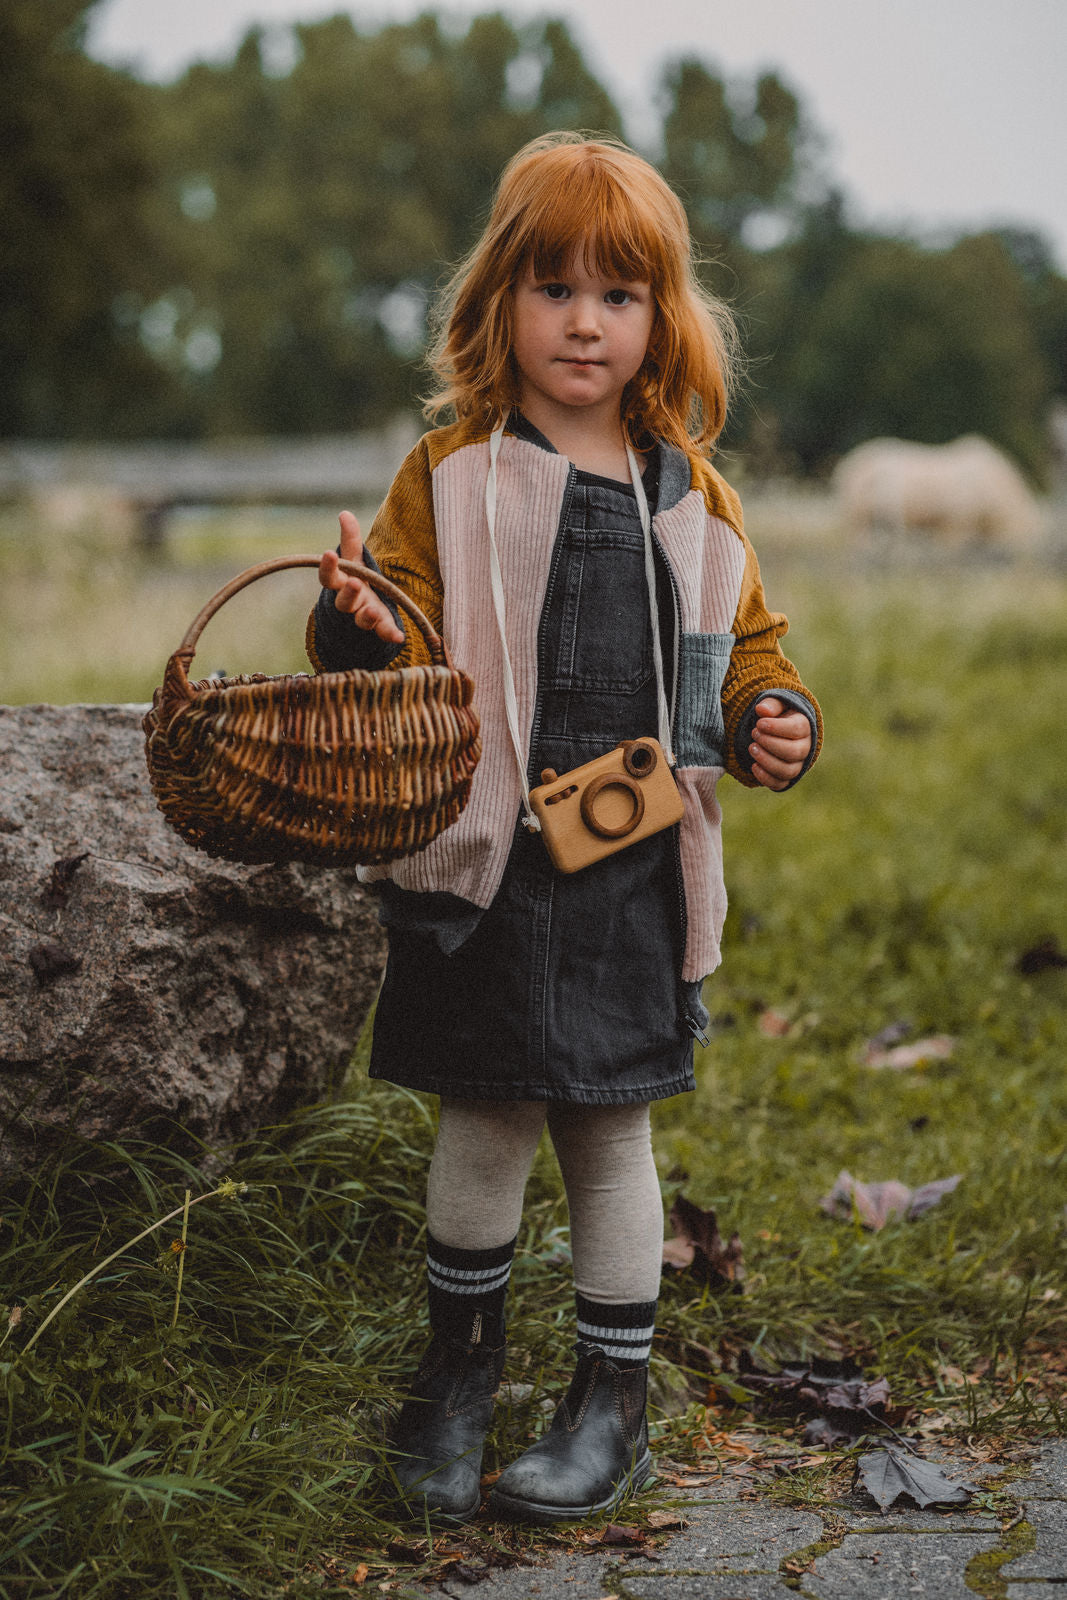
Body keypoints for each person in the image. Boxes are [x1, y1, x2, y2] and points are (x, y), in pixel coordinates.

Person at [307, 132, 822, 1525]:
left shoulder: (690, 498)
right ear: (498, 305)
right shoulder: (454, 474)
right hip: (484, 860)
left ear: (662, 319)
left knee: (608, 1130)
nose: (583, 320)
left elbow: (748, 662)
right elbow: (397, 634)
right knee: (482, 1117)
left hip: (627, 859)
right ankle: (455, 1378)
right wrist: (356, 619)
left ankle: (611, 1405)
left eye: (617, 293)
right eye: (551, 288)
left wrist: (781, 720)